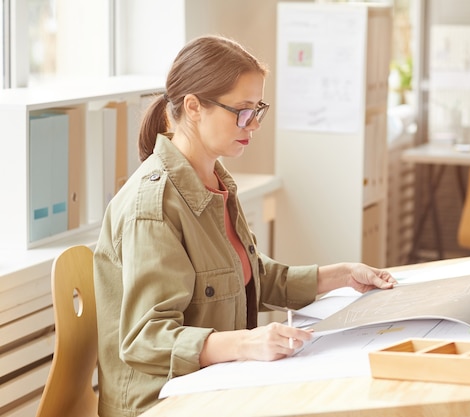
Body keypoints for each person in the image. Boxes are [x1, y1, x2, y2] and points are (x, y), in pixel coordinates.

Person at [93, 34, 397, 417]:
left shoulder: (216, 184)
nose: (252, 125)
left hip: (215, 385)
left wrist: (342, 275)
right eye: (242, 110)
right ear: (193, 107)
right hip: (162, 403)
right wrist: (249, 343)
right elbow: (145, 339)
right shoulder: (153, 206)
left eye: (258, 110)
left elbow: (249, 276)